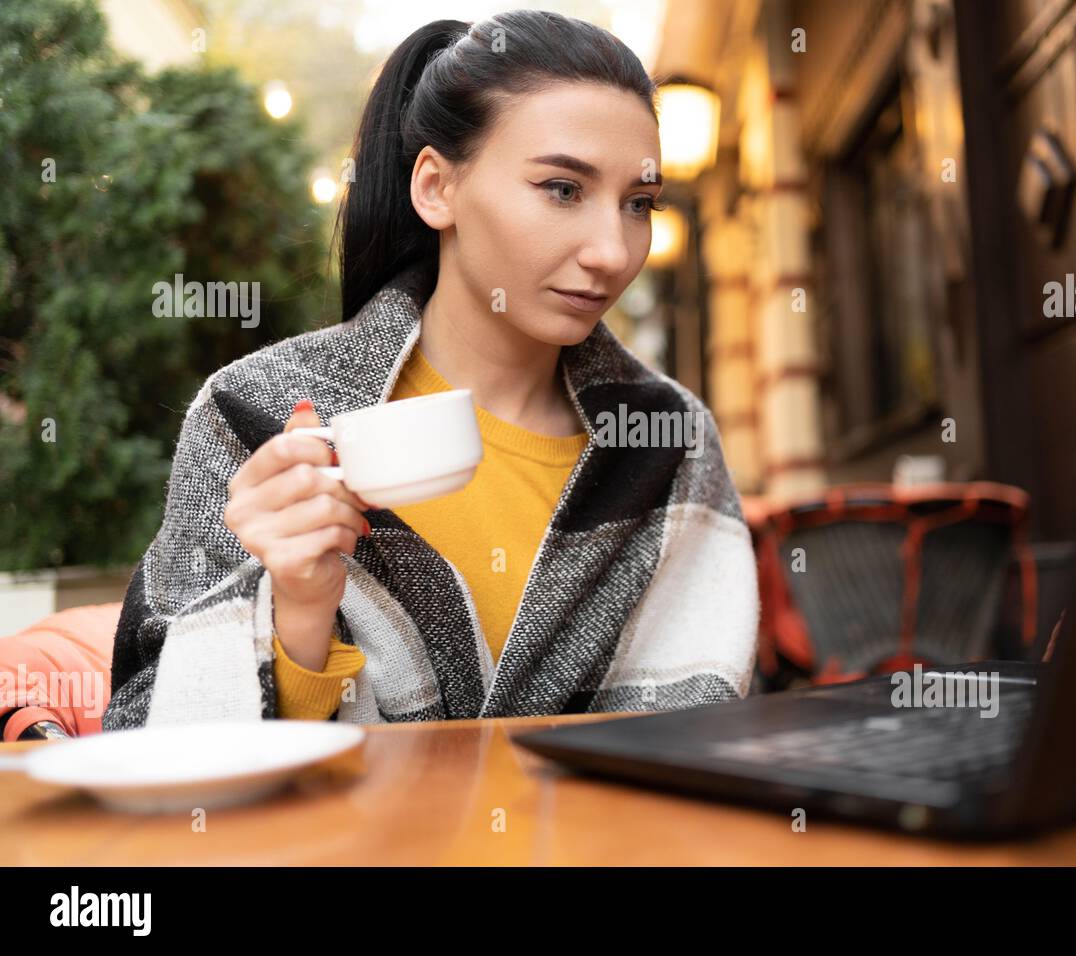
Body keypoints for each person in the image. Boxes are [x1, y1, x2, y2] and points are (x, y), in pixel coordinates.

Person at [102, 11, 759, 728]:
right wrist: (297, 611)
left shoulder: (667, 440)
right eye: (563, 190)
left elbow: (706, 728)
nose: (611, 249)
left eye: (639, 203)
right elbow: (150, 733)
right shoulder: (255, 416)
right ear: (436, 188)